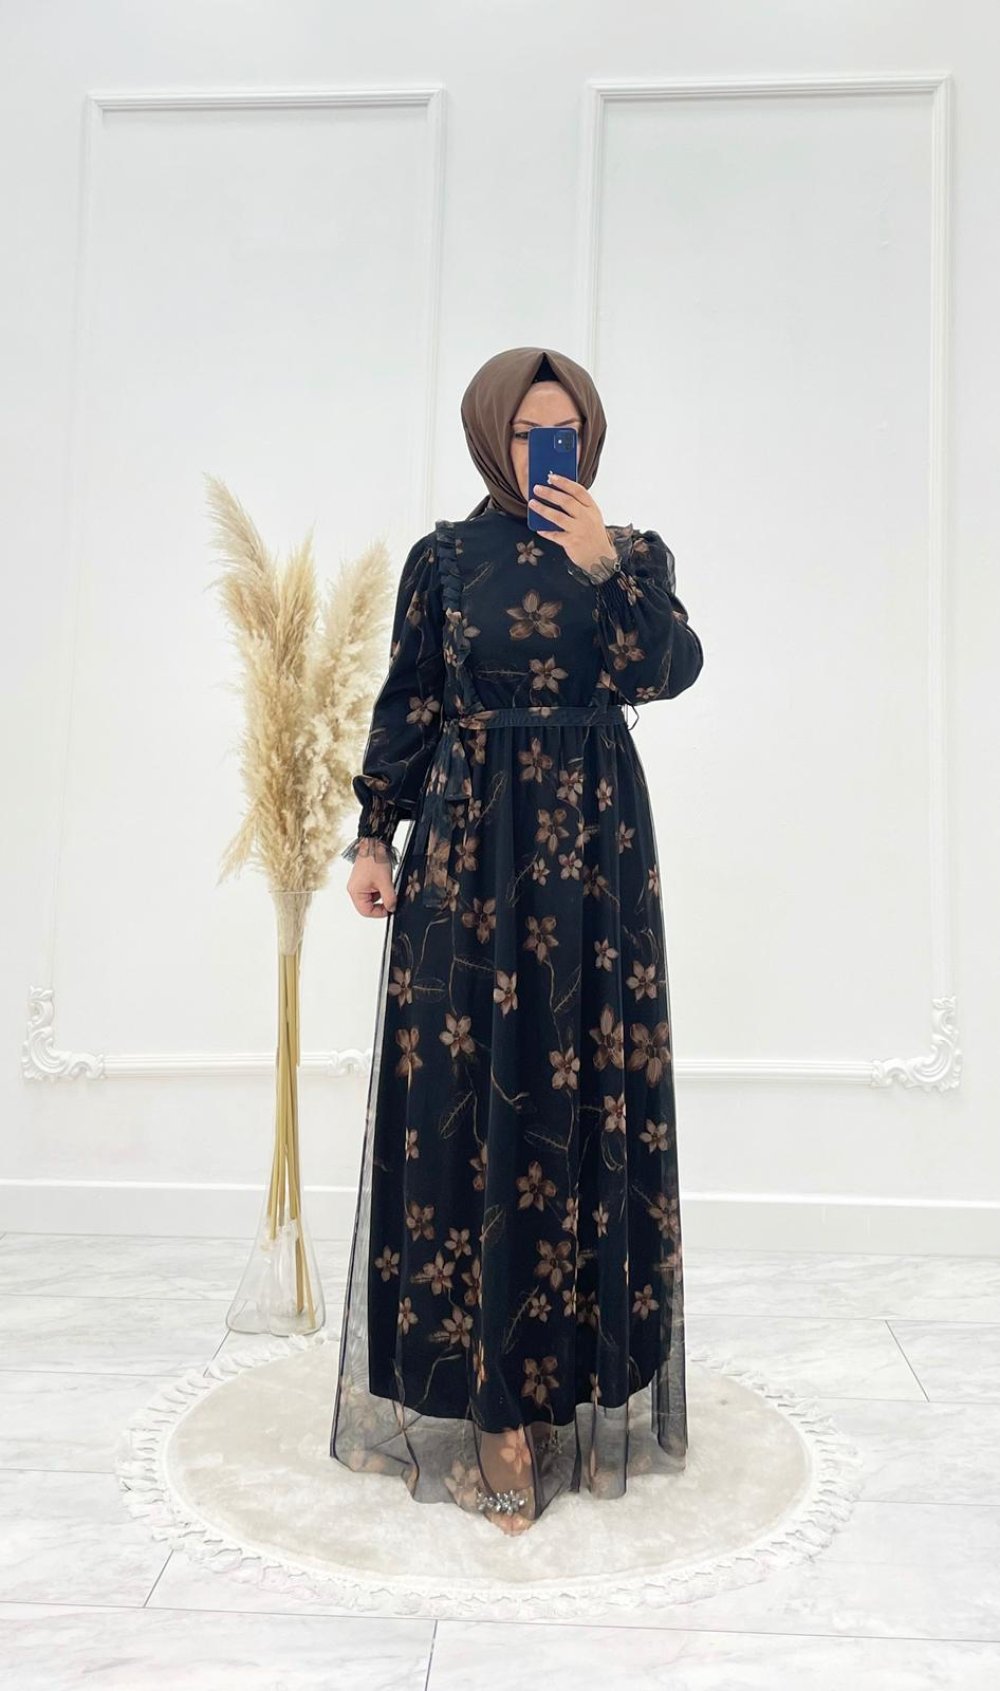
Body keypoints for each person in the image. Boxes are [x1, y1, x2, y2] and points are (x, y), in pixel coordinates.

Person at [329, 346, 705, 1534]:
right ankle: (493, 1406)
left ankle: (563, 1383)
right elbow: (411, 700)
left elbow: (667, 671)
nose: (553, 450)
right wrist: (374, 836)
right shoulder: (443, 559)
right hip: (470, 848)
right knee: (468, 1102)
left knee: (580, 1096)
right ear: (491, 435)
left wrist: (603, 566)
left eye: (570, 431)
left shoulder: (631, 553)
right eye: (531, 431)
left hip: (595, 854)